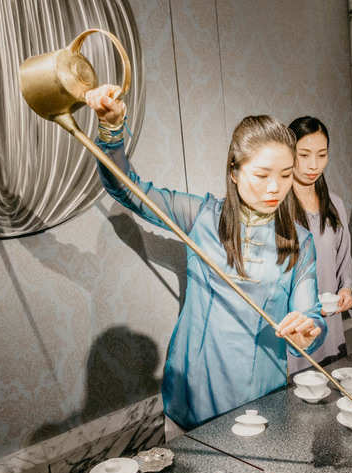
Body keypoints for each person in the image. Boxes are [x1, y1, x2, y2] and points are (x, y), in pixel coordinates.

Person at [85, 85, 326, 438]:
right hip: (191, 391)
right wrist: (111, 131)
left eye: (286, 174)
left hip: (259, 396)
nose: (276, 187)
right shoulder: (201, 216)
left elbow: (311, 316)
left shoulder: (300, 242)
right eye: (262, 175)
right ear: (234, 171)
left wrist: (308, 331)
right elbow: (126, 189)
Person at [286, 116, 352, 374]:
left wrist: (347, 291)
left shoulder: (335, 204)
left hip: (331, 323)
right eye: (303, 155)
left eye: (321, 154)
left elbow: (344, 261)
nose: (313, 165)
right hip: (295, 327)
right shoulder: (278, 208)